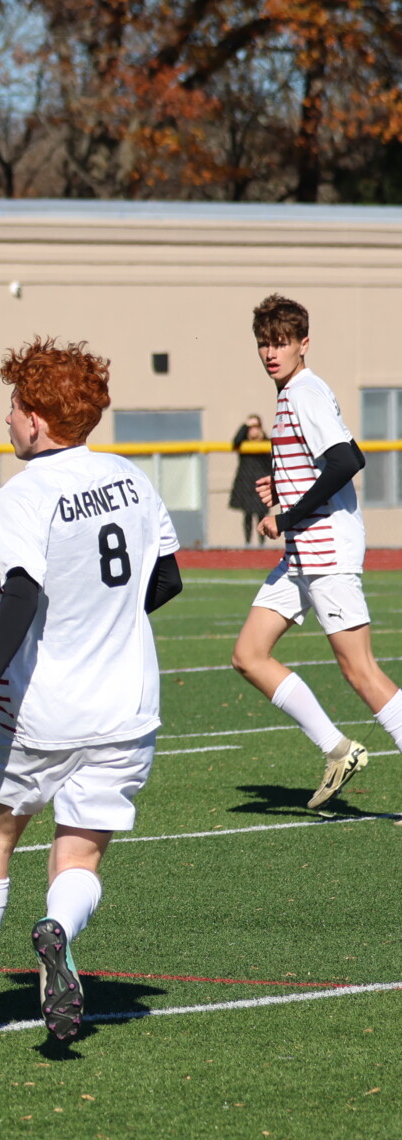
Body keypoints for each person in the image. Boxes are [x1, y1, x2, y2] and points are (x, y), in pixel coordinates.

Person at [0, 340, 182, 1044]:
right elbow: (165, 581)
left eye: (13, 405)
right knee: (81, 855)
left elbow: (20, 596)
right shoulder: (132, 477)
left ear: (36, 421)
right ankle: (59, 930)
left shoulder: (24, 493)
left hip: (42, 710)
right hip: (127, 707)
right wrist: (103, 619)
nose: (7, 418)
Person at [228, 293, 402, 809]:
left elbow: (348, 460)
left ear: (304, 344)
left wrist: (288, 514)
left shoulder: (304, 391)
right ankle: (336, 748)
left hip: (326, 552)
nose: (270, 352)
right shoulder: (290, 395)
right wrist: (283, 493)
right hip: (302, 554)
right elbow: (325, 468)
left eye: (281, 342)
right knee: (248, 655)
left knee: (361, 672)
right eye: (263, 342)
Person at [228, 413, 271, 544]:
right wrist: (244, 426)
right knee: (247, 515)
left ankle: (262, 544)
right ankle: (248, 544)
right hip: (246, 482)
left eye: (256, 426)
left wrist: (262, 437)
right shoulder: (244, 442)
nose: (253, 429)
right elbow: (235, 442)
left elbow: (270, 460)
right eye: (250, 427)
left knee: (261, 515)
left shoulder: (265, 443)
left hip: (261, 482)